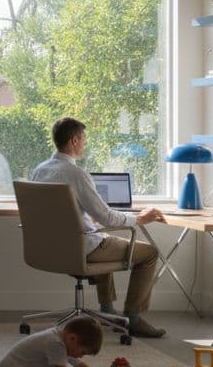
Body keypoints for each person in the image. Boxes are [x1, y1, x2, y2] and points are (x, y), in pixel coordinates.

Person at [30, 117, 166, 338]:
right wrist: (139, 219)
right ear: (74, 140)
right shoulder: (76, 174)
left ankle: (107, 311)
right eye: (84, 139)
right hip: (82, 248)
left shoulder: (40, 170)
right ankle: (133, 317)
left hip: (49, 251)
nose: (86, 144)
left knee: (102, 238)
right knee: (150, 253)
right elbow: (106, 217)